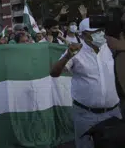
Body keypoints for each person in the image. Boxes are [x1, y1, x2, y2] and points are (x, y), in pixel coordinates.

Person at [50, 18, 121, 148]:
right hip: (86, 115)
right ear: (83, 35)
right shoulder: (75, 51)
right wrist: (67, 56)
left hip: (113, 112)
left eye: (100, 31)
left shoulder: (110, 47)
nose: (99, 34)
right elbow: (54, 73)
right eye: (93, 32)